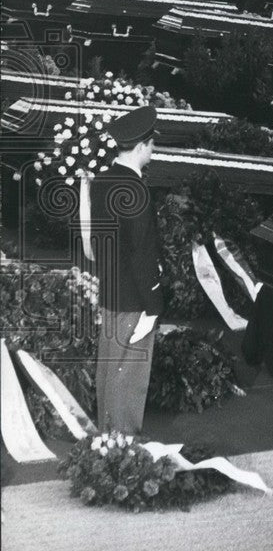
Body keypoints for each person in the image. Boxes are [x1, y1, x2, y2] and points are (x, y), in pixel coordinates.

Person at [89, 106, 164, 433]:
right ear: (140, 146)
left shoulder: (103, 181)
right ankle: (121, 447)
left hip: (110, 289)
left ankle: (107, 439)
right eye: (151, 145)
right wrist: (152, 306)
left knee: (109, 369)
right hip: (134, 296)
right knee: (129, 376)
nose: (152, 150)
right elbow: (141, 252)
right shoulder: (136, 190)